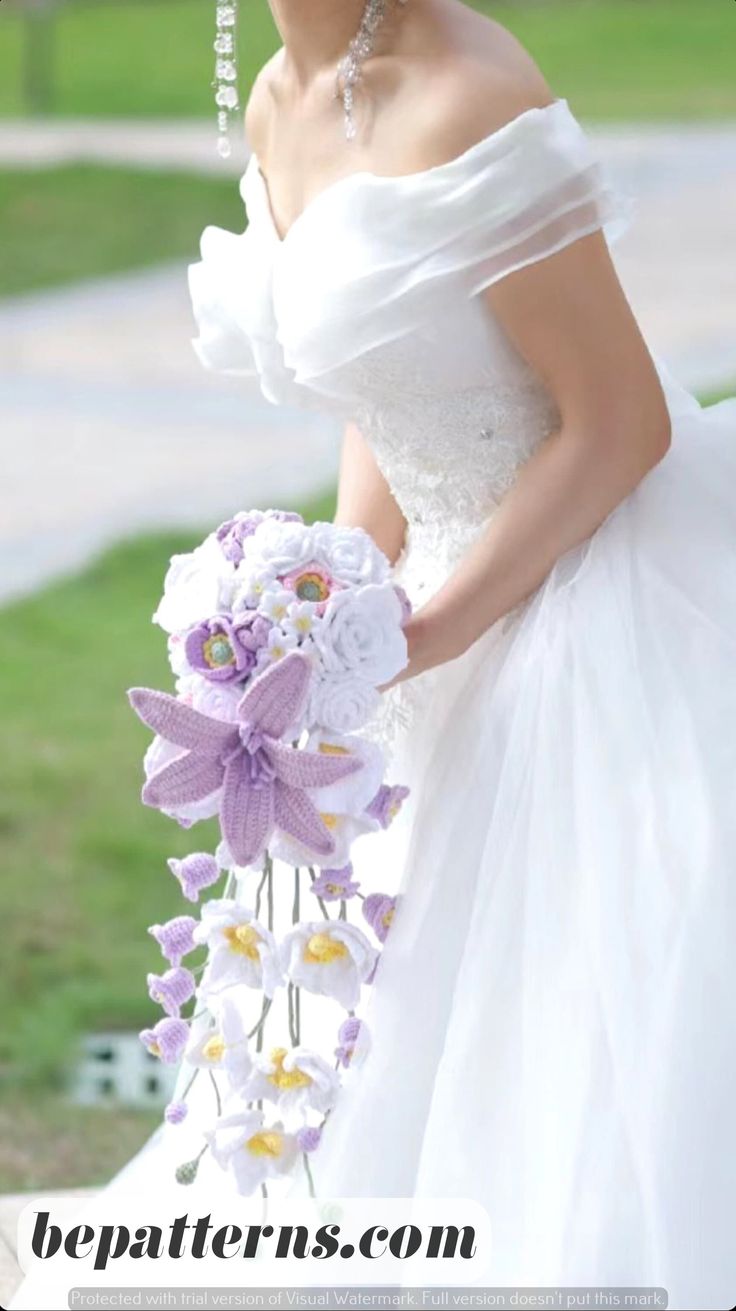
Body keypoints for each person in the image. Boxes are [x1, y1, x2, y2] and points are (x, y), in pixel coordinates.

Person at [11, 3, 736, 1308]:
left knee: (564, 1023)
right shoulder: (277, 102)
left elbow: (622, 423)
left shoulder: (465, 92)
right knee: (357, 1018)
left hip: (586, 590)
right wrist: (332, 598)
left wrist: (423, 629)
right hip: (415, 601)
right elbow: (386, 386)